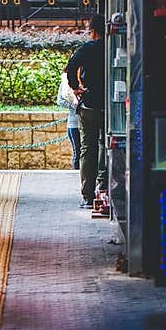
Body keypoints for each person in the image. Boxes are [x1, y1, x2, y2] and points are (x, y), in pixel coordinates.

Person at [65, 14, 106, 209]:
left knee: (88, 149)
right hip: (111, 106)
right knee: (107, 145)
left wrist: (75, 87)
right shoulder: (114, 45)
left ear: (93, 31)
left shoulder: (88, 48)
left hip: (89, 103)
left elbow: (71, 65)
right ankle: (105, 186)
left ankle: (88, 195)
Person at [55, 68, 80, 169]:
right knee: (77, 152)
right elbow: (60, 100)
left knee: (79, 152)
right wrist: (74, 106)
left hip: (77, 122)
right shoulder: (67, 81)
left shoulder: (81, 78)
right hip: (75, 122)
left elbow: (60, 101)